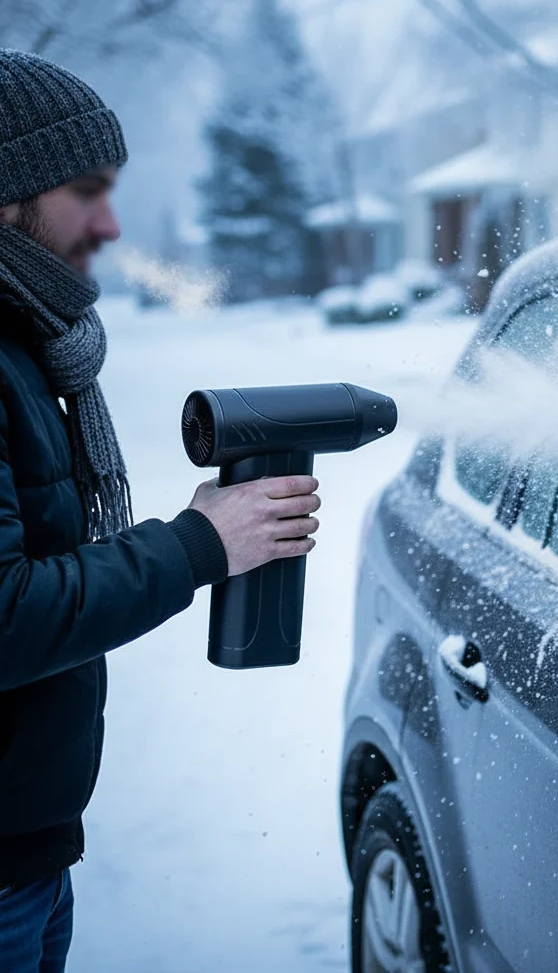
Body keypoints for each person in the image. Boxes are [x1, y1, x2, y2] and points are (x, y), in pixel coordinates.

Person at [0, 49, 322, 971]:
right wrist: (196, 545)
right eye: (83, 191)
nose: (107, 223)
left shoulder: (29, 345)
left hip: (28, 854)